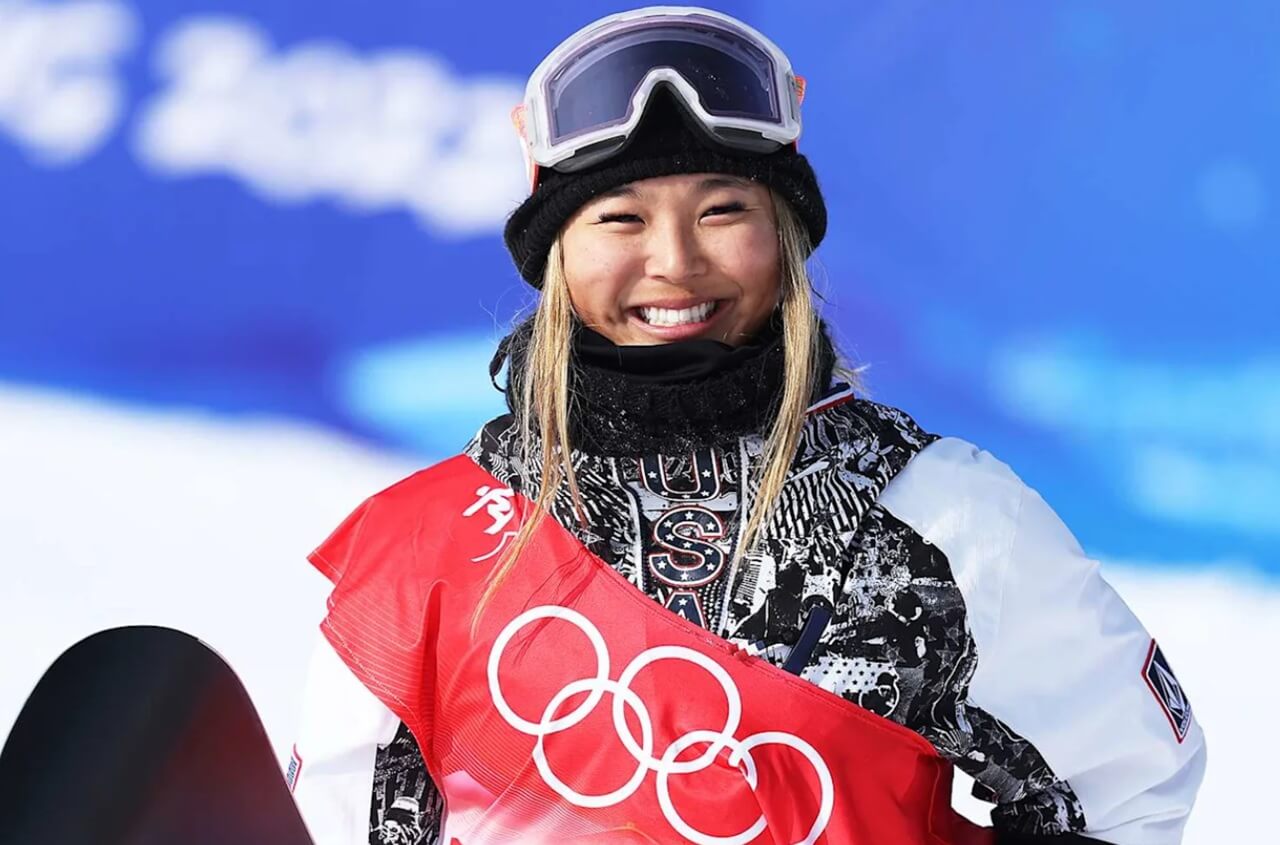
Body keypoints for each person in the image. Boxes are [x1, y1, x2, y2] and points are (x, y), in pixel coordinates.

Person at [289, 7, 1205, 844]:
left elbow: (1128, 793)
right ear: (557, 254)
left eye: (723, 210)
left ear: (787, 235)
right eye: (621, 218)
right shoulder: (432, 542)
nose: (675, 261)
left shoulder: (946, 517)